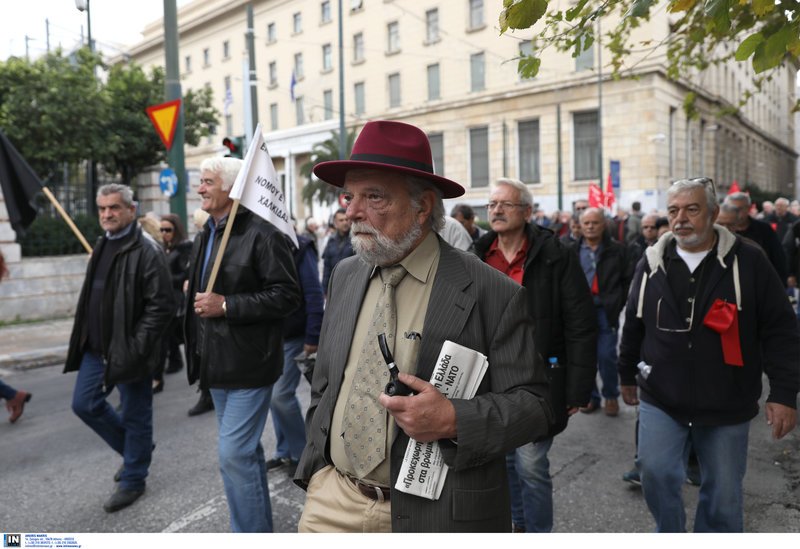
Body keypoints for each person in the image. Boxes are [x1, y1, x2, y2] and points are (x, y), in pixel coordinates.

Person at [295, 120, 552, 533]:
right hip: (331, 501)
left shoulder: (491, 292)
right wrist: (317, 467)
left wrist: (454, 418)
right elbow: (327, 382)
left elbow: (536, 405)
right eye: (349, 195)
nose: (352, 211)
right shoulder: (345, 274)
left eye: (373, 196)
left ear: (423, 206)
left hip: (434, 513)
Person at [618, 177, 799, 532]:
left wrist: (783, 393)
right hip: (662, 396)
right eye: (673, 210)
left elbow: (780, 329)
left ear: (714, 213)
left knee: (723, 497)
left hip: (727, 400)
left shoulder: (749, 260)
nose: (680, 218)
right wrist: (625, 373)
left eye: (691, 209)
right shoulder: (652, 260)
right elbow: (634, 321)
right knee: (654, 472)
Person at [183, 156, 301, 532]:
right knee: (243, 454)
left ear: (232, 189)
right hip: (215, 363)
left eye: (206, 182)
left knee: (233, 454)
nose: (199, 188)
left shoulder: (265, 234)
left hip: (250, 363)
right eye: (200, 182)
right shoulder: (208, 232)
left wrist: (228, 305)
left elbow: (287, 295)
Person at [474, 178, 596, 533]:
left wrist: (578, 388)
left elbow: (580, 324)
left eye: (505, 205)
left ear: (527, 212)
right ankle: (520, 525)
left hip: (539, 378)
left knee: (530, 464)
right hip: (490, 380)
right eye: (492, 204)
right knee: (505, 462)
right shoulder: (478, 255)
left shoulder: (557, 255)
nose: (495, 210)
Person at [64, 184, 174, 513]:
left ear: (131, 210)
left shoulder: (147, 250)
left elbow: (161, 308)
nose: (107, 215)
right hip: (95, 349)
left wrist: (135, 348)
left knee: (136, 415)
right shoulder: (101, 244)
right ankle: (135, 451)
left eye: (114, 208)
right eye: (102, 209)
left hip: (130, 352)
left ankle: (133, 479)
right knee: (84, 404)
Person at [267, 230, 324, 477]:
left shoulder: (300, 246)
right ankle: (285, 451)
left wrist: (313, 334)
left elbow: (313, 292)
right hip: (271, 335)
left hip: (295, 333)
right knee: (273, 395)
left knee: (281, 395)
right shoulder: (263, 242)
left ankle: (303, 455)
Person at [569, 207, 632, 416]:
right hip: (580, 310)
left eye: (594, 223)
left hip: (607, 310)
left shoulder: (618, 250)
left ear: (603, 225)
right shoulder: (572, 249)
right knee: (584, 355)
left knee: (606, 355)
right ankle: (591, 396)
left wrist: (617, 301)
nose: (590, 227)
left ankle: (611, 395)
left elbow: (626, 279)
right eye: (586, 223)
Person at [151, 214, 193, 395]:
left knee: (166, 336)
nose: (164, 233)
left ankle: (159, 375)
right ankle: (175, 360)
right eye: (161, 230)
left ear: (176, 230)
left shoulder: (184, 248)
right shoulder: (163, 248)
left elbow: (185, 274)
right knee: (168, 336)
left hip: (176, 299)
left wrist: (165, 278)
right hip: (165, 297)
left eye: (168, 230)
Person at [722, 192, 788, 285]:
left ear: (748, 208)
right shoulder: (719, 232)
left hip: (760, 284)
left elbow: (778, 259)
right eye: (732, 209)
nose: (736, 213)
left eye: (740, 209)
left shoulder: (764, 230)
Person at [321, 208, 354, 294]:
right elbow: (327, 267)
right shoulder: (331, 240)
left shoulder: (356, 239)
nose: (345, 222)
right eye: (341, 220)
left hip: (351, 287)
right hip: (335, 287)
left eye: (346, 219)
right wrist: (325, 289)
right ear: (335, 223)